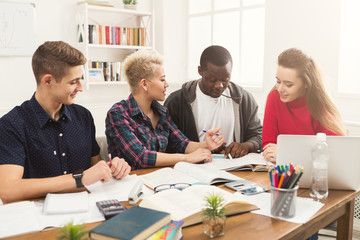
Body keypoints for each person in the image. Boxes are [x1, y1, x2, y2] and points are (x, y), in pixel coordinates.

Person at [0, 41, 131, 204]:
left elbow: (95, 169)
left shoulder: (83, 116)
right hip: (39, 220)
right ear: (47, 81)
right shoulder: (11, 124)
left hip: (89, 209)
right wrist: (79, 179)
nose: (81, 87)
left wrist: (113, 168)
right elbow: (8, 190)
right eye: (73, 82)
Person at [105, 49, 224, 170]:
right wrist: (186, 158)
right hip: (131, 184)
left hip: (159, 180)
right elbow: (141, 157)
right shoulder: (118, 114)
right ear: (144, 84)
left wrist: (206, 144)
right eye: (162, 79)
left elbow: (182, 143)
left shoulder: (162, 112)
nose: (166, 84)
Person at [164, 45, 262, 158]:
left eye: (225, 80)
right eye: (212, 80)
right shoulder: (177, 102)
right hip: (193, 168)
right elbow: (170, 143)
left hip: (235, 169)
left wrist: (245, 146)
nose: (219, 86)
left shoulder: (243, 99)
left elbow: (258, 135)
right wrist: (204, 147)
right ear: (200, 71)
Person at [262, 47, 346, 160]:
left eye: (288, 84)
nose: (280, 89)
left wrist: (286, 152)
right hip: (283, 171)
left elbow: (335, 149)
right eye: (278, 81)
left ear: (306, 83)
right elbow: (269, 146)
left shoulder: (320, 104)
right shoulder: (274, 98)